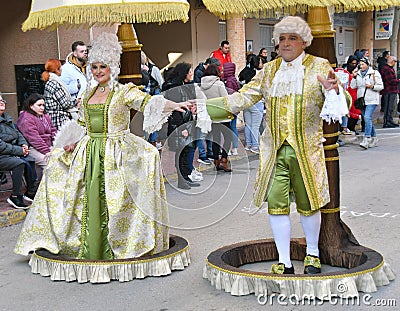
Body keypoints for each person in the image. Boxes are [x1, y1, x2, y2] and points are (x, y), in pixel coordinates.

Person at [15, 33, 191, 260]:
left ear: (112, 67)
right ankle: (77, 242)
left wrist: (176, 104)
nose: (98, 71)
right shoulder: (88, 92)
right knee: (66, 179)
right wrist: (71, 142)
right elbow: (81, 123)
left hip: (116, 151)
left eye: (103, 67)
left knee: (116, 199)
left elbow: (148, 102)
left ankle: (122, 242)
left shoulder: (123, 91)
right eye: (95, 66)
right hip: (89, 150)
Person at [203, 16, 349, 274]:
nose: (285, 43)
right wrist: (204, 108)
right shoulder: (269, 70)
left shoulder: (318, 66)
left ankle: (312, 255)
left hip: (306, 149)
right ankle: (284, 260)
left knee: (309, 203)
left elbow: (341, 99)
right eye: (282, 38)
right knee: (276, 204)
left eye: (292, 38)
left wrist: (334, 89)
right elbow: (242, 97)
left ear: (304, 41)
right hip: (274, 151)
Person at [162, 62, 205, 189]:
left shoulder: (187, 86)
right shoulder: (174, 88)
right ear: (184, 73)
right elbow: (175, 111)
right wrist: (183, 129)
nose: (192, 73)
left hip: (189, 123)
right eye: (190, 71)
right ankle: (181, 180)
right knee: (180, 153)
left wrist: (194, 108)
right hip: (180, 125)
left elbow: (189, 103)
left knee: (188, 152)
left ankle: (186, 177)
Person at [0, 93, 37, 209]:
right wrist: (19, 151)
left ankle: (30, 193)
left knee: (30, 159)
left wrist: (24, 145)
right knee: (19, 163)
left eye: (2, 100)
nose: (1, 102)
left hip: (11, 153)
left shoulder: (7, 118)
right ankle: (15, 196)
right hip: (2, 155)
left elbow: (18, 134)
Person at [17, 93, 57, 182]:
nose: (42, 108)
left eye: (43, 105)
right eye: (39, 105)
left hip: (47, 145)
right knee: (50, 163)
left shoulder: (44, 116)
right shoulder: (26, 118)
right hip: (32, 148)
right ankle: (46, 189)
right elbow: (34, 139)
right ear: (31, 106)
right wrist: (47, 151)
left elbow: (53, 130)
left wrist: (57, 143)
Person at [200, 64, 232, 172]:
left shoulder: (202, 84)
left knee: (215, 139)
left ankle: (216, 161)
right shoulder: (219, 84)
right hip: (222, 114)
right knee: (228, 137)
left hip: (212, 115)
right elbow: (226, 98)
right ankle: (224, 159)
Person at [350, 57, 383, 149]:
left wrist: (372, 86)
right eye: (360, 65)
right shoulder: (359, 74)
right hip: (361, 100)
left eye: (363, 64)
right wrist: (354, 76)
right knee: (366, 118)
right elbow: (353, 86)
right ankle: (374, 137)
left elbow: (381, 86)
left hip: (372, 99)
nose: (361, 66)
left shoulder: (374, 73)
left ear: (367, 64)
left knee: (367, 117)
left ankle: (367, 138)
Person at [42, 59, 78, 129]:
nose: (62, 69)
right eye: (60, 67)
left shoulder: (50, 82)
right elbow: (65, 104)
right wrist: (76, 101)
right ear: (57, 69)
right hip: (59, 120)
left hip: (54, 118)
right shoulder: (54, 83)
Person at [239, 54, 264, 153]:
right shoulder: (257, 75)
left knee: (248, 125)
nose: (261, 63)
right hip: (256, 102)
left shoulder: (243, 73)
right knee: (255, 126)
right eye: (260, 62)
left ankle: (248, 144)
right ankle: (255, 146)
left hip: (246, 102)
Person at [141, 51, 165, 149]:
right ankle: (151, 141)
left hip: (151, 95)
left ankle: (152, 141)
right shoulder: (152, 68)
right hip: (149, 96)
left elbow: (161, 82)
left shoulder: (153, 69)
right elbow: (161, 83)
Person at [222, 62, 241, 156]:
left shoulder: (228, 81)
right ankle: (235, 148)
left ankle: (229, 148)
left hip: (229, 108)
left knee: (228, 129)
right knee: (233, 127)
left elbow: (228, 96)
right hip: (235, 108)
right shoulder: (234, 80)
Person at [380, 56, 400, 128]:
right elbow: (391, 81)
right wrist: (399, 81)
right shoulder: (387, 69)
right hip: (389, 90)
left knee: (390, 107)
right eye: (394, 61)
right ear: (392, 61)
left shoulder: (388, 68)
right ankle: (387, 122)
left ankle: (390, 121)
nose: (395, 63)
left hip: (390, 90)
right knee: (388, 107)